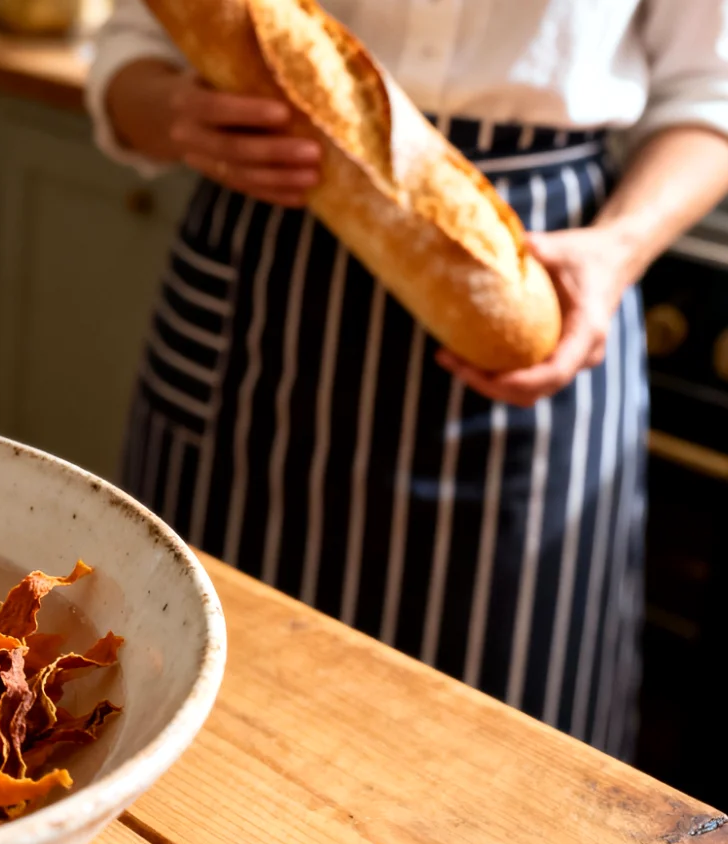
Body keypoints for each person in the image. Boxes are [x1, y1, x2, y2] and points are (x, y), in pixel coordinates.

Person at [89, 1, 728, 757]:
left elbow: (711, 92)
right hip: (259, 285)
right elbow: (133, 43)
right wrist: (174, 114)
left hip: (539, 276)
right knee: (190, 713)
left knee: (507, 752)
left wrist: (619, 246)